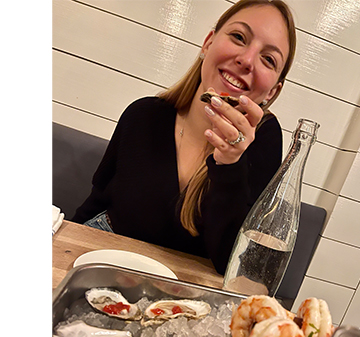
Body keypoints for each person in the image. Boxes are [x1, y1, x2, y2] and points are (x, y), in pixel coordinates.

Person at [72, 0, 297, 274]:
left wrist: (229, 163)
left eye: (268, 59)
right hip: (105, 259)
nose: (246, 60)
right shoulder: (142, 115)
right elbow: (95, 203)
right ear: (208, 43)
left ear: (272, 91)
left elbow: (232, 263)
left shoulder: (264, 140)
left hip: (185, 293)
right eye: (239, 37)